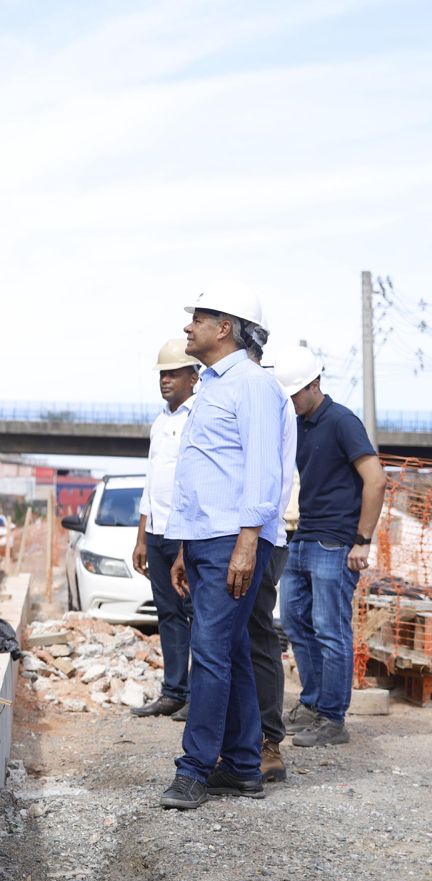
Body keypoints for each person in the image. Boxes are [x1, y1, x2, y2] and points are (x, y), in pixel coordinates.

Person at [160, 283, 286, 810]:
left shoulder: (252, 384)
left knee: (209, 651)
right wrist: (186, 548)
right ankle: (239, 765)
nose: (188, 327)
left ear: (225, 327)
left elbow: (263, 468)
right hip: (206, 538)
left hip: (233, 538)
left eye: (198, 318)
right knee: (228, 651)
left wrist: (247, 542)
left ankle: (194, 768)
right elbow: (206, 473)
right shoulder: (213, 385)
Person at [270, 350, 386, 748]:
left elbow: (376, 480)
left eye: (295, 394)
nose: (290, 401)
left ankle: (333, 719)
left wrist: (363, 540)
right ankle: (314, 702)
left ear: (315, 385)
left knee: (330, 630)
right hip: (302, 536)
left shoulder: (341, 421)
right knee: (295, 622)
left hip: (336, 541)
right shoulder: (298, 424)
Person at [130, 339, 199, 719]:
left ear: (194, 375)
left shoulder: (198, 417)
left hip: (185, 533)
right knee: (168, 613)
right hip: (157, 533)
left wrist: (188, 544)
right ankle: (174, 692)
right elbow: (151, 482)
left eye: (173, 372)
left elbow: (195, 483)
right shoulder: (161, 421)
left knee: (195, 612)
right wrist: (142, 537)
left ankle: (198, 698)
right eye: (162, 374)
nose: (166, 380)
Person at [244, 340, 299, 782]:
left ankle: (267, 740)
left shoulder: (266, 392)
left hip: (261, 534)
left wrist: (253, 537)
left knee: (258, 631)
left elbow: (269, 476)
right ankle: (240, 738)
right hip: (227, 536)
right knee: (229, 637)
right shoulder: (226, 391)